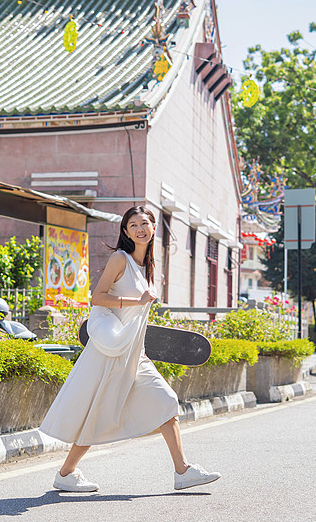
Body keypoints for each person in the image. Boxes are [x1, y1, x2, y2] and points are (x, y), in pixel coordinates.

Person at [40, 206, 220, 493]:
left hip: (134, 353)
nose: (140, 228)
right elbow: (97, 298)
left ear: (153, 229)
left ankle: (182, 471)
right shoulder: (119, 259)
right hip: (111, 352)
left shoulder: (147, 266)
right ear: (125, 232)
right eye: (133, 224)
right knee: (99, 410)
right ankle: (66, 472)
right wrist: (135, 302)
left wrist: (141, 347)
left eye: (145, 223)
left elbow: (137, 320)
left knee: (166, 401)